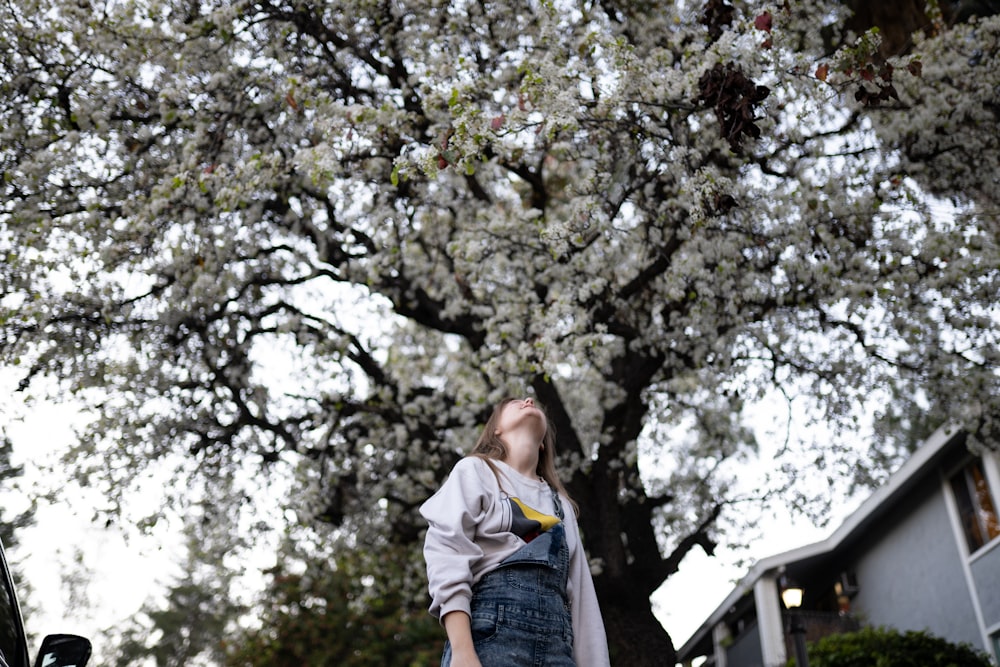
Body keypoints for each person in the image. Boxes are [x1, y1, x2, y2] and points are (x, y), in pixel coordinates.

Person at [420, 396, 611, 667]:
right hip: (488, 639)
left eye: (534, 403)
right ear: (495, 429)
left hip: (558, 652)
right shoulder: (475, 471)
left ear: (543, 441)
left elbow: (582, 601)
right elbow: (447, 553)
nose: (530, 400)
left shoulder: (562, 507)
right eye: (515, 402)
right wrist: (463, 651)